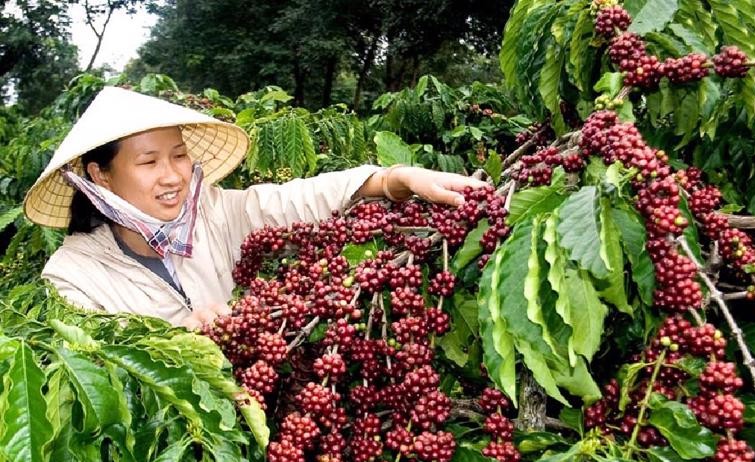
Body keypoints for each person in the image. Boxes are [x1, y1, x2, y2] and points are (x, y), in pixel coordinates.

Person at [23, 87, 485, 329]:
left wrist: (389, 180)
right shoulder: (72, 277)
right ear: (100, 175)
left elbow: (288, 202)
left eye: (180, 155)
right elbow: (103, 374)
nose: (173, 176)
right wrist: (179, 338)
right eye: (148, 162)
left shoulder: (209, 213)